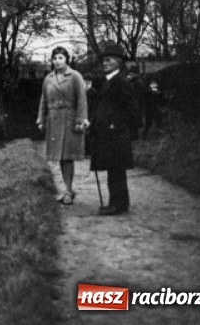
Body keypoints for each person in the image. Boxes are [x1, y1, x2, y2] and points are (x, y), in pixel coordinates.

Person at [89, 43, 141, 216]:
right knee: (114, 169)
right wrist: (93, 122)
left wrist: (116, 125)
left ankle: (118, 204)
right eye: (103, 60)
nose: (104, 63)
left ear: (118, 62)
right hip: (109, 133)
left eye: (108, 60)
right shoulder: (109, 81)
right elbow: (104, 107)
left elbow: (132, 110)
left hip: (116, 134)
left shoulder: (121, 82)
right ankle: (118, 203)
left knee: (116, 170)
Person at [36, 47, 89, 205]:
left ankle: (67, 190)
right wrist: (41, 119)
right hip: (53, 120)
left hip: (69, 119)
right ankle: (68, 189)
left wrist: (80, 121)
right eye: (55, 58)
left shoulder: (75, 76)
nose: (57, 61)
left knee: (67, 157)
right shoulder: (49, 78)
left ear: (67, 59)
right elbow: (43, 100)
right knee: (59, 156)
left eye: (60, 58)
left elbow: (81, 100)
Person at [126, 64, 146, 140]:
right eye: (130, 73)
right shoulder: (132, 81)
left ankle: (135, 135)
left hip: (136, 103)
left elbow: (138, 95)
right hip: (133, 103)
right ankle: (133, 134)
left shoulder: (138, 82)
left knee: (135, 119)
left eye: (132, 74)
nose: (130, 75)